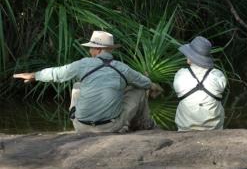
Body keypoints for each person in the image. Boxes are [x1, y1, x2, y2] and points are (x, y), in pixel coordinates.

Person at [13, 31, 163, 133]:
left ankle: (81, 121)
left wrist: (34, 75)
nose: (90, 51)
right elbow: (145, 83)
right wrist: (154, 87)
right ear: (109, 49)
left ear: (97, 49)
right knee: (138, 89)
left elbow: (57, 73)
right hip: (110, 127)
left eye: (91, 48)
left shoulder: (82, 64)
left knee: (78, 86)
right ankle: (143, 124)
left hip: (81, 126)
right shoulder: (122, 68)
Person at [173, 36, 227, 131]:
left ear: (191, 57)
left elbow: (177, 90)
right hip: (213, 128)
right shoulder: (217, 75)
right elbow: (221, 87)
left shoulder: (181, 75)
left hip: (185, 128)